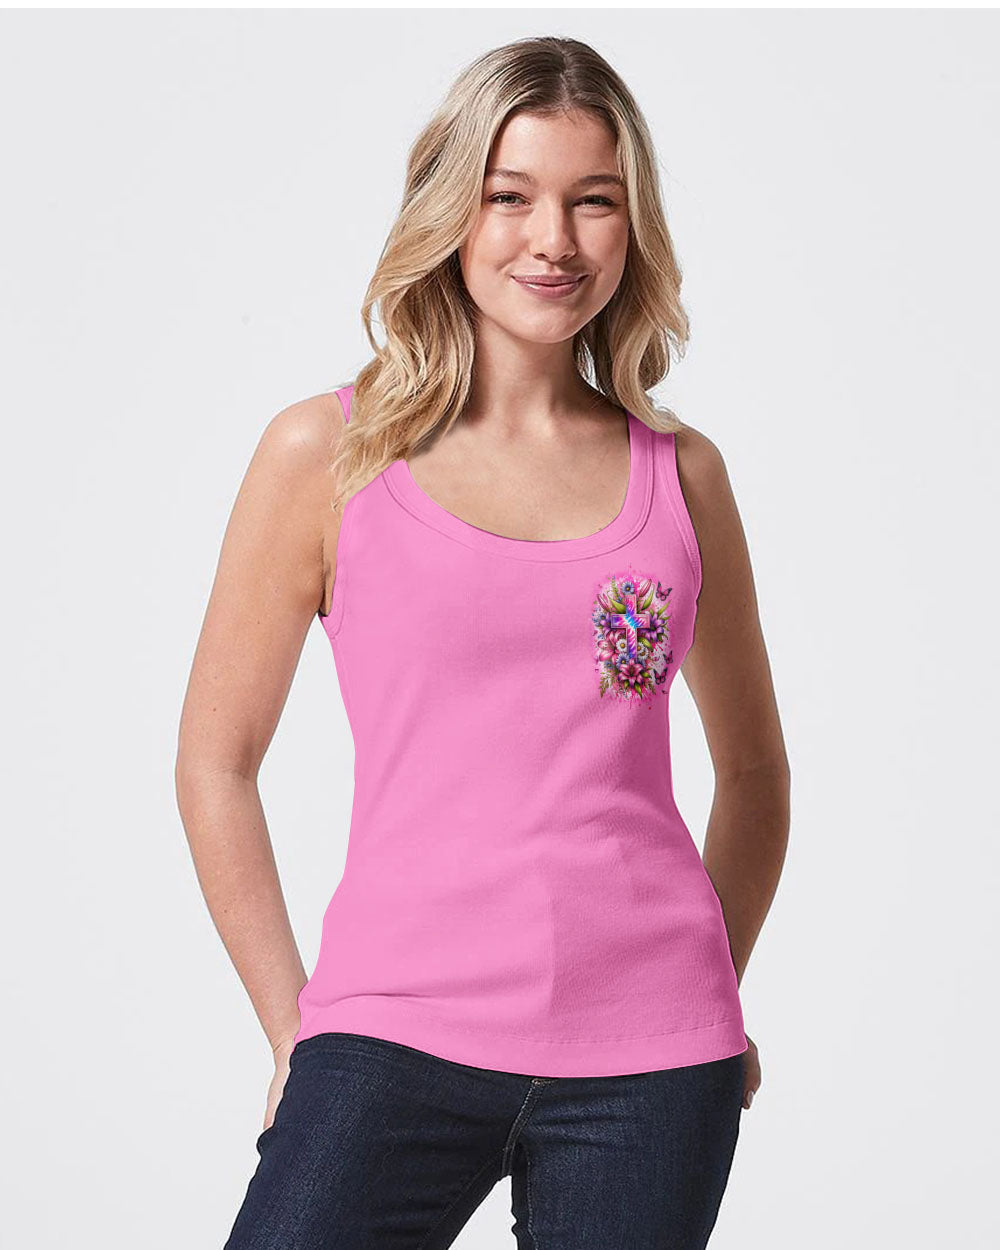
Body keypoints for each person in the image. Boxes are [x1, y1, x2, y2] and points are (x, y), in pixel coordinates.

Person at [175, 35, 790, 1250]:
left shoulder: (683, 477)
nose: (551, 239)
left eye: (592, 200)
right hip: (389, 1030)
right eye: (510, 196)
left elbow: (755, 772)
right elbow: (216, 759)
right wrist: (292, 1024)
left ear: (633, 225)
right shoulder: (329, 455)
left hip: (652, 1068)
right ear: (451, 207)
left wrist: (703, 993)